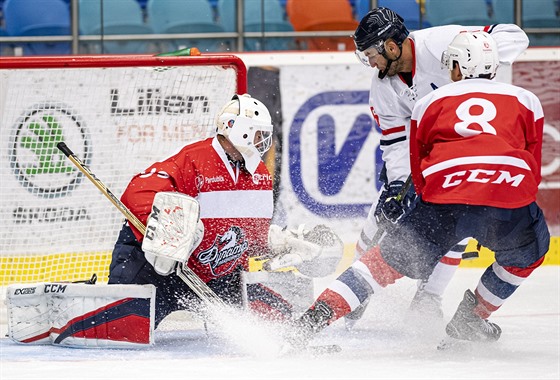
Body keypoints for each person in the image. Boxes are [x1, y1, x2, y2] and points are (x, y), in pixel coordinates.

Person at [291, 30, 549, 346]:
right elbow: (532, 164)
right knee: (529, 251)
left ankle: (308, 323)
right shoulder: (527, 99)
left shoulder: (427, 102)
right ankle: (472, 318)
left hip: (443, 200)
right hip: (506, 198)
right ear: (493, 67)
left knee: (378, 266)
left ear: (456, 67)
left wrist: (433, 201)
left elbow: (418, 164)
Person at [343, 7, 530, 326]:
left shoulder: (442, 43)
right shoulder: (383, 87)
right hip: (423, 152)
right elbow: (395, 141)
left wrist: (480, 56)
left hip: (467, 152)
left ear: (391, 46)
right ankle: (353, 288)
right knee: (382, 213)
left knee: (453, 222)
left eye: (371, 54)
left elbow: (515, 35)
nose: (370, 63)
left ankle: (428, 297)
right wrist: (395, 189)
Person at [108, 94, 343, 328]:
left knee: (276, 321)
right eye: (257, 132)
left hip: (213, 276)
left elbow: (244, 237)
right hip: (153, 269)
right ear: (237, 129)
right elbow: (138, 190)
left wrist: (277, 244)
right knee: (119, 328)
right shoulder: (195, 158)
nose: (263, 140)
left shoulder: (260, 175)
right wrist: (167, 229)